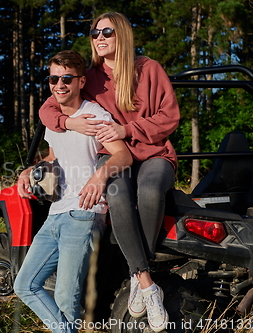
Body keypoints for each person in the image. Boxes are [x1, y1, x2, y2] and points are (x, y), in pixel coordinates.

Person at [38, 12, 180, 333]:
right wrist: (69, 122)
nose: (99, 37)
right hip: (116, 157)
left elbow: (169, 117)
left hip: (154, 153)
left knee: (152, 190)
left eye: (107, 32)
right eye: (94, 32)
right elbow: (49, 107)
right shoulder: (90, 76)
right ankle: (145, 281)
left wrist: (125, 128)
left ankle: (134, 274)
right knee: (115, 192)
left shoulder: (149, 69)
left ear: (123, 36)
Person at [14, 50, 132, 333]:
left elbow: (123, 156)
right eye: (54, 78)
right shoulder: (53, 118)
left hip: (84, 213)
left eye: (66, 78)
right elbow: (54, 157)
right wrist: (30, 170)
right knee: (24, 285)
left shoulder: (94, 115)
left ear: (81, 81)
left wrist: (99, 177)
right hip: (55, 213)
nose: (59, 85)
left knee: (67, 300)